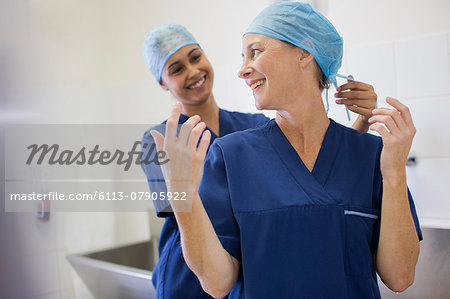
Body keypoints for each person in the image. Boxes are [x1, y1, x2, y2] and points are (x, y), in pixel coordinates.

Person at [142, 21, 380, 298]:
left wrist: (363, 125)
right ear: (162, 82)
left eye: (195, 58)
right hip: (188, 277)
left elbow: (314, 167)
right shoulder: (161, 140)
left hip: (243, 266)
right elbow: (186, 206)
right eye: (177, 69)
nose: (193, 71)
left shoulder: (252, 125)